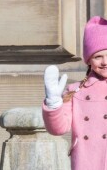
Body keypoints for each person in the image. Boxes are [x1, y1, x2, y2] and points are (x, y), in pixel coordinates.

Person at [42, 16, 107, 170]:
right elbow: (58, 129)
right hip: (87, 163)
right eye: (98, 56)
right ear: (89, 60)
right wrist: (53, 103)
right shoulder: (76, 91)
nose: (105, 62)